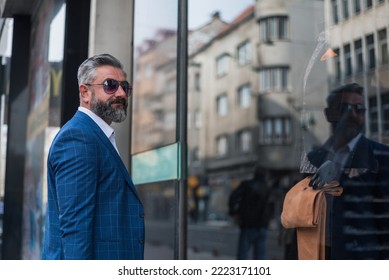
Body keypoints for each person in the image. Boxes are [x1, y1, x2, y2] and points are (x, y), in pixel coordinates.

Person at [41, 54, 145, 260]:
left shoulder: (96, 135)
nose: (121, 92)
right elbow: (75, 227)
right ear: (85, 92)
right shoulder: (78, 138)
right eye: (110, 85)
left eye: (125, 86)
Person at [300, 82, 389, 259]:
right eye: (344, 108)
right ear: (329, 114)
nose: (353, 114)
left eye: (359, 109)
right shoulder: (314, 160)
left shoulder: (381, 156)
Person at [228, 167, 275, 259]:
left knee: (243, 255)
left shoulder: (247, 185)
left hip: (248, 224)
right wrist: (269, 219)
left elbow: (233, 197)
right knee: (260, 256)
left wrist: (234, 212)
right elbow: (271, 206)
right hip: (262, 225)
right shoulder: (268, 188)